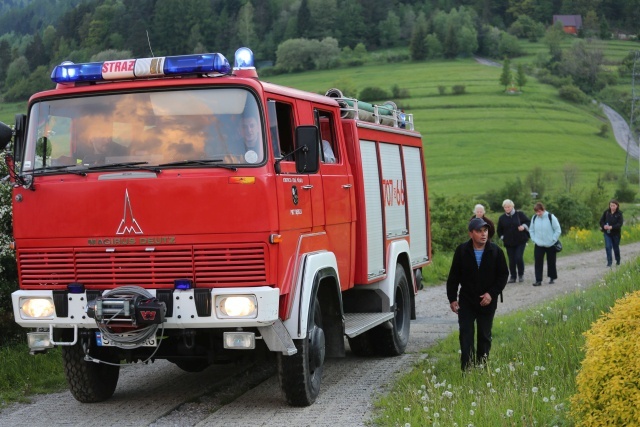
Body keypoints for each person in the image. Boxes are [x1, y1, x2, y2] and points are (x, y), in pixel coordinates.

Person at [447, 217, 509, 371]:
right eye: (479, 231)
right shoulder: (462, 251)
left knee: (484, 335)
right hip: (467, 300)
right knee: (466, 334)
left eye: (485, 230)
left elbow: (503, 276)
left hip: (487, 301)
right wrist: (452, 299)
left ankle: (482, 366)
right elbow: (453, 276)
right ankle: (466, 368)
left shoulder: (496, 251)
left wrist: (491, 294)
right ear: (471, 234)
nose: (483, 234)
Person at [497, 199, 530, 283]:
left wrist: (523, 227)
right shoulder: (502, 218)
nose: (507, 208)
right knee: (511, 259)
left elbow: (528, 222)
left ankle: (521, 274)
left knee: (518, 257)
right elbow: (499, 230)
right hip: (509, 243)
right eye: (505, 207)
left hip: (521, 240)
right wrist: (503, 237)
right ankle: (513, 276)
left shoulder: (519, 214)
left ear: (512, 206)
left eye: (509, 207)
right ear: (503, 208)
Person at [528, 202, 561, 286]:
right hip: (538, 244)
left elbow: (557, 230)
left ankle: (552, 277)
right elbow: (531, 229)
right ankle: (538, 280)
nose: (538, 213)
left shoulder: (551, 217)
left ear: (543, 210)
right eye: (536, 212)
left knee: (551, 261)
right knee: (538, 262)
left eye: (539, 211)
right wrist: (534, 239)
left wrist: (553, 239)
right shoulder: (534, 218)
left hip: (550, 244)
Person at [599, 199, 624, 267]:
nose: (612, 207)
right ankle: (609, 262)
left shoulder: (619, 214)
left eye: (614, 205)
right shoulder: (606, 212)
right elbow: (601, 221)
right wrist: (604, 226)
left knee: (615, 247)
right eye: (611, 205)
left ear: (617, 206)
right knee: (608, 247)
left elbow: (620, 224)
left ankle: (618, 261)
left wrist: (611, 227)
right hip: (607, 233)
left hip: (616, 234)